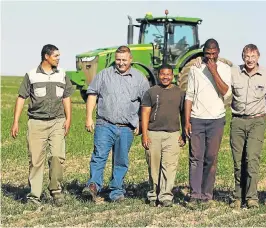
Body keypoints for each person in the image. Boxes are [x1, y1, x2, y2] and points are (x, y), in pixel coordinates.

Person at [82, 46, 150, 202]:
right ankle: (93, 186)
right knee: (99, 156)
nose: (121, 63)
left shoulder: (139, 78)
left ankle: (116, 191)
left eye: (124, 60)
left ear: (130, 59)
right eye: (118, 60)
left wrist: (140, 121)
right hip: (104, 124)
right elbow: (92, 94)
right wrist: (88, 117)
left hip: (127, 127)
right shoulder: (104, 75)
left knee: (121, 160)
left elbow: (146, 102)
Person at [11, 44, 73, 206]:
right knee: (36, 160)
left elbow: (66, 97)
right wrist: (16, 122)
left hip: (57, 122)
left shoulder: (62, 75)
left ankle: (56, 190)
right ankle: (34, 196)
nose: (58, 59)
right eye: (55, 56)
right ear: (46, 57)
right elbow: (21, 98)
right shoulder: (31, 75)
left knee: (57, 156)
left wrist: (68, 119)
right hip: (36, 123)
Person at [184, 38, 232, 208]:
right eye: (207, 54)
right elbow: (189, 95)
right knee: (196, 157)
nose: (210, 57)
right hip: (197, 118)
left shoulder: (225, 69)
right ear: (203, 52)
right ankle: (195, 193)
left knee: (211, 157)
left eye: (213, 53)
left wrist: (214, 71)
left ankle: (207, 194)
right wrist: (187, 120)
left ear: (218, 52)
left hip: (216, 119)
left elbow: (225, 91)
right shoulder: (195, 68)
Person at [230, 44, 266, 209]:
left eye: (253, 56)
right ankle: (237, 197)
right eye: (247, 56)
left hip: (257, 121)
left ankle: (252, 197)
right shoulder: (234, 72)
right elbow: (216, 67)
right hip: (238, 121)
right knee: (238, 161)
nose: (250, 60)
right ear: (242, 57)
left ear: (258, 57)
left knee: (252, 159)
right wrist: (199, 61)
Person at [141, 64, 186, 207]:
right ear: (158, 75)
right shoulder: (151, 92)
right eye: (162, 74)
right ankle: (153, 195)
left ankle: (166, 196)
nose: (165, 77)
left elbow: (184, 114)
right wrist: (144, 134)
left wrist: (184, 134)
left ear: (173, 76)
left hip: (173, 134)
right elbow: (145, 113)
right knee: (153, 167)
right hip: (153, 133)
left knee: (169, 166)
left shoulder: (180, 93)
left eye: (168, 74)